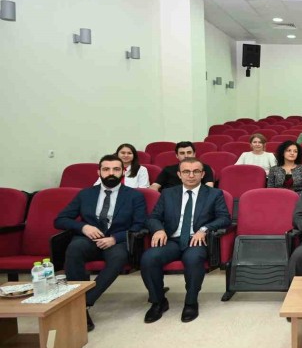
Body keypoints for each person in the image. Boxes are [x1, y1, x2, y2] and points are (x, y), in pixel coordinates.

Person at [55, 154, 147, 331]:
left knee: (118, 257)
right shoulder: (85, 194)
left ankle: (83, 303)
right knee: (74, 248)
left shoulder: (134, 196)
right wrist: (84, 227)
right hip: (88, 239)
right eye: (106, 169)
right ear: (99, 172)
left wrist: (115, 238)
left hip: (117, 241)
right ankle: (78, 300)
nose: (111, 173)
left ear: (123, 171)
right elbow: (60, 220)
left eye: (116, 169)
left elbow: (139, 225)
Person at [141, 157, 231, 323]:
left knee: (193, 258)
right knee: (149, 258)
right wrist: (158, 229)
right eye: (186, 172)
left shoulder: (214, 194)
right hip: (171, 240)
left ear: (202, 174)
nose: (191, 175)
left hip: (196, 240)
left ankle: (191, 302)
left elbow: (224, 218)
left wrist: (204, 229)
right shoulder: (168, 193)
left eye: (196, 171)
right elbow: (153, 217)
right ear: (179, 174)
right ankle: (158, 301)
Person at [150, 142, 214, 191]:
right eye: (182, 153)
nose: (186, 156)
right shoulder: (168, 169)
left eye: (189, 152)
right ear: (177, 156)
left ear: (194, 154)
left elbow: (209, 188)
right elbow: (155, 186)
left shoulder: (204, 168)